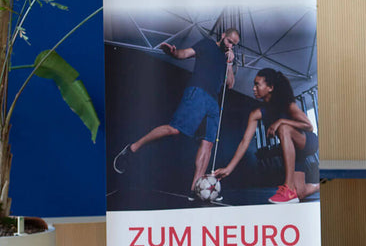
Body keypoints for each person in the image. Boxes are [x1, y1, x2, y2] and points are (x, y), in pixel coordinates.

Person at [112, 29, 240, 195]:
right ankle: (133, 148)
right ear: (223, 36)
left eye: (234, 45)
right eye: (229, 41)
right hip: (198, 92)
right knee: (175, 129)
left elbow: (230, 84)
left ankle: (195, 190)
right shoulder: (207, 44)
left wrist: (229, 63)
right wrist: (173, 52)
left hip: (214, 101)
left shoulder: (227, 59)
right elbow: (184, 54)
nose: (230, 46)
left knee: (208, 144)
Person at [213, 67, 319, 204]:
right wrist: (228, 169)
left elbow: (309, 126)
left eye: (257, 84)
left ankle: (288, 188)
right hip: (295, 153)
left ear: (270, 87)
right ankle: (318, 185)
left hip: (307, 142)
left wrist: (281, 121)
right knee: (301, 193)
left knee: (284, 128)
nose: (253, 88)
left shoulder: (288, 105)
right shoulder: (256, 113)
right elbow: (245, 142)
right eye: (254, 84)